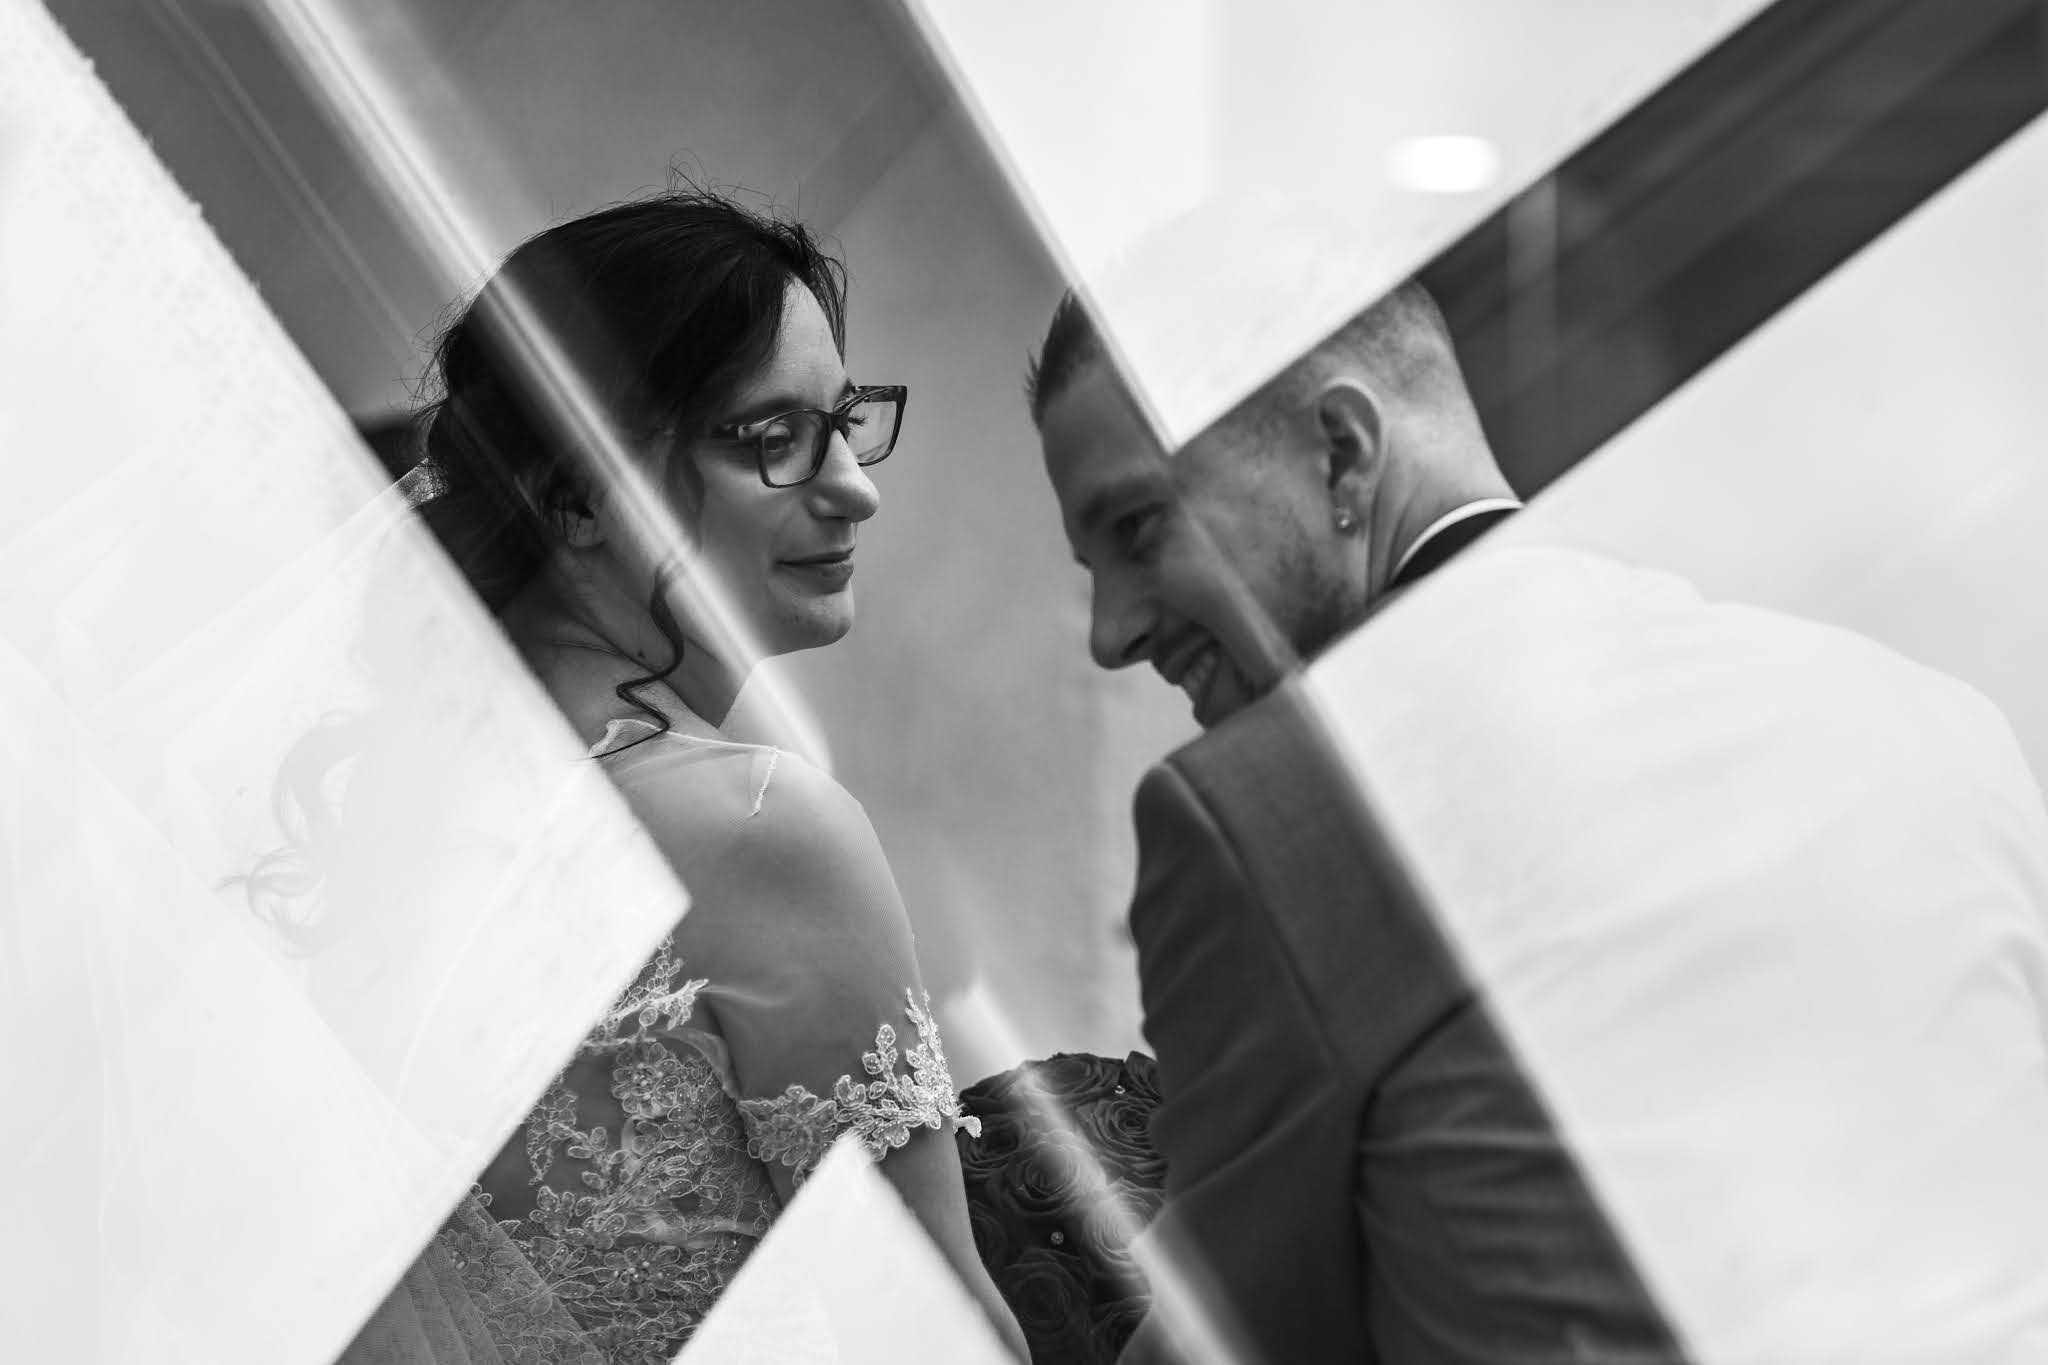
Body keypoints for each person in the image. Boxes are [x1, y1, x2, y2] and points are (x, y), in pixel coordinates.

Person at [1027, 280, 2048, 1363]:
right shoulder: (1926, 717)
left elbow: (1226, 1342)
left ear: (1341, 452)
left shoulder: (1269, 811)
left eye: (1138, 528)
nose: (1109, 633)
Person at [277, 191, 1025, 1363]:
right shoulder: (755, 826)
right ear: (575, 497)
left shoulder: (393, 821)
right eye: (770, 437)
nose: (854, 486)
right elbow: (938, 1336)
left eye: (843, 422)